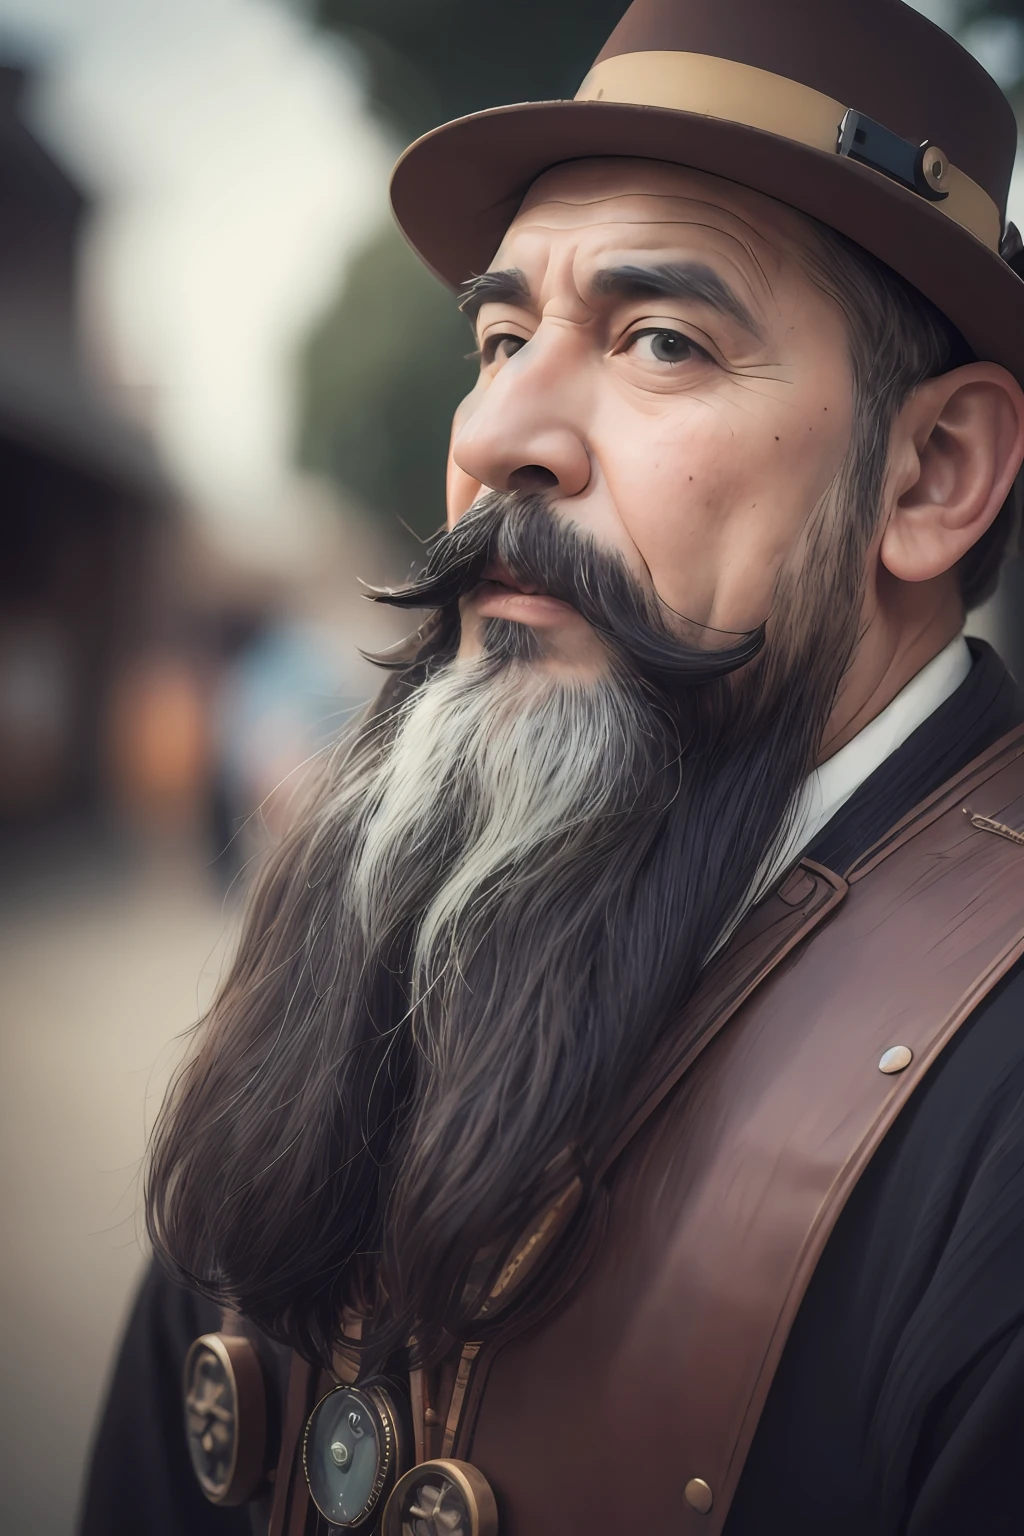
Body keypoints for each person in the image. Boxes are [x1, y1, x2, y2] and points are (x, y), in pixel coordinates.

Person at [81, 1, 1024, 1532]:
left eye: (662, 340)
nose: (503, 430)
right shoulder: (379, 896)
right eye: (502, 337)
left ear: (931, 476)